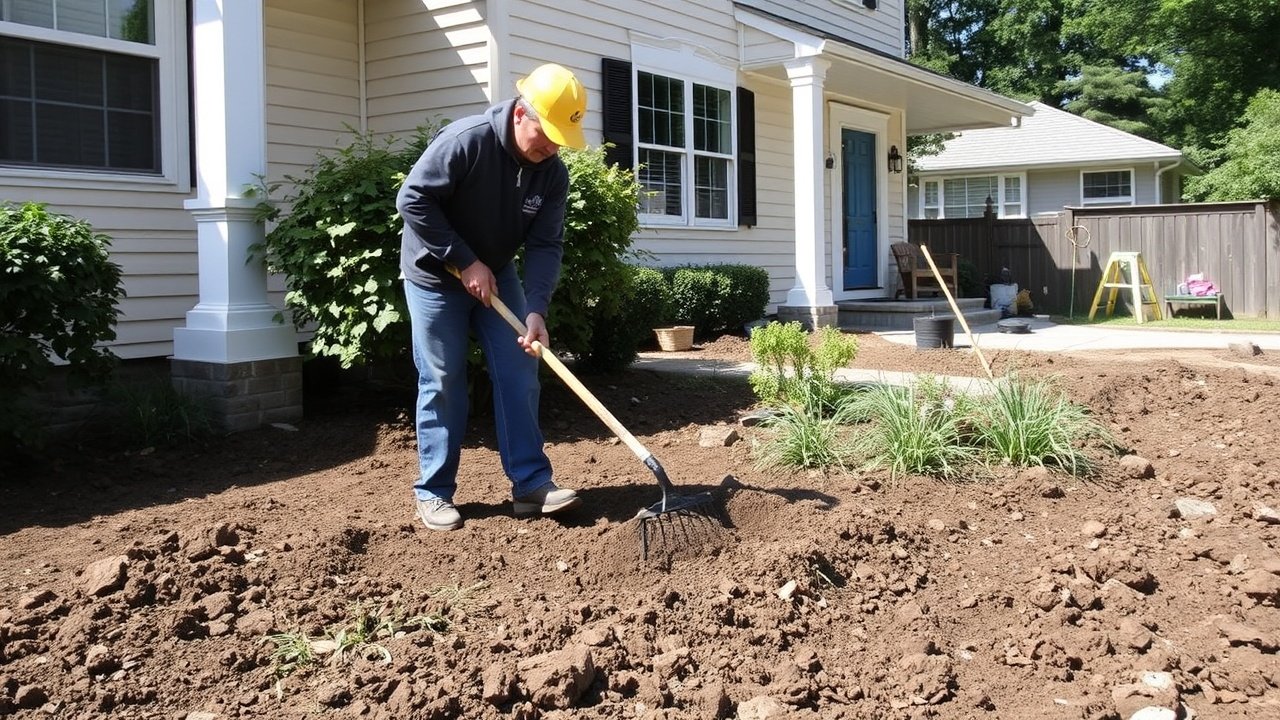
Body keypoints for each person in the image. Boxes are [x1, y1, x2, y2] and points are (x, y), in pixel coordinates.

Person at [396, 63, 587, 531]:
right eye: (547, 134)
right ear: (522, 112)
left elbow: (545, 244)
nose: (551, 148)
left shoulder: (551, 174)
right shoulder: (467, 141)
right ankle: (434, 492)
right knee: (442, 379)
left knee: (521, 368)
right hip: (434, 273)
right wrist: (464, 258)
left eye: (561, 139)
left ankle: (530, 486)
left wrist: (536, 308)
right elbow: (413, 199)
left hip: (496, 272)